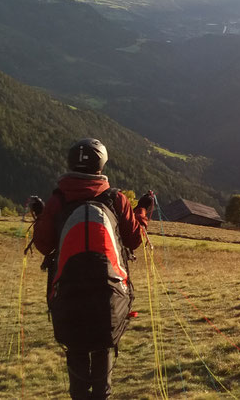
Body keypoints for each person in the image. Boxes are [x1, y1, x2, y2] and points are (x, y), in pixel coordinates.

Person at [32, 138, 154, 400]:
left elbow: (43, 245)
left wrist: (41, 215)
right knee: (103, 348)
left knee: (76, 350)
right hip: (109, 291)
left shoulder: (58, 200)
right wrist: (142, 211)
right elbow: (134, 240)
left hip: (68, 291)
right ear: (101, 165)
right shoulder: (115, 199)